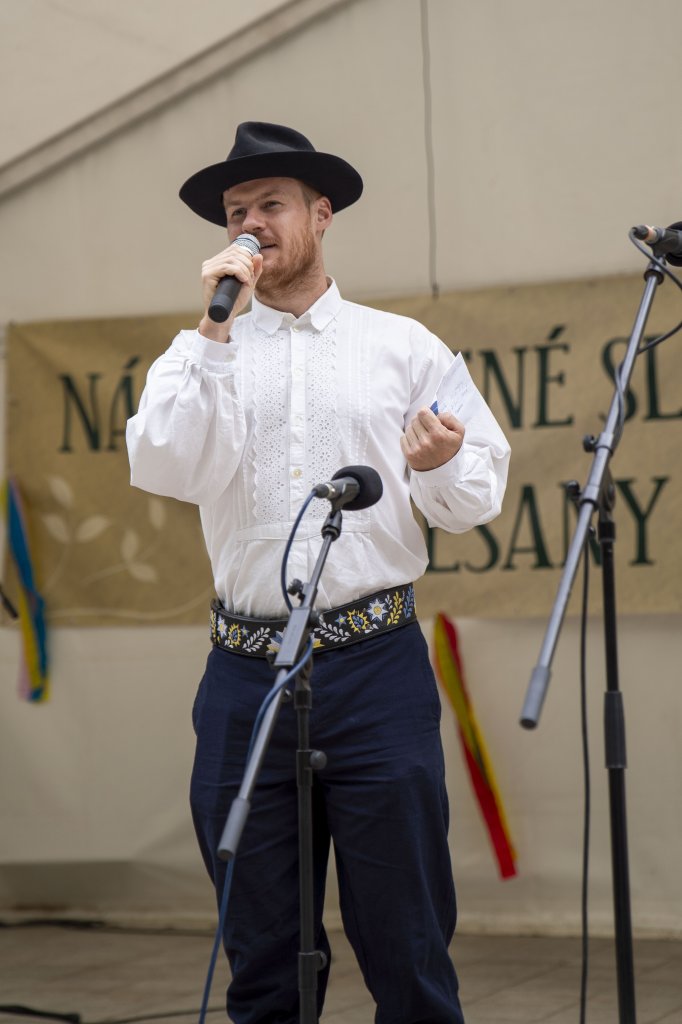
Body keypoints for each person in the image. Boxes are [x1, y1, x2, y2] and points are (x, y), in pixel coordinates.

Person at [126, 121, 510, 1024]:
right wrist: (213, 331)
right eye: (236, 212)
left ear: (322, 214)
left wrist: (440, 462)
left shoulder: (402, 346)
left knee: (407, 944)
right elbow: (162, 464)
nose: (251, 224)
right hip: (245, 672)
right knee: (261, 952)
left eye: (271, 205)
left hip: (374, 666)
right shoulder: (200, 352)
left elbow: (476, 496)